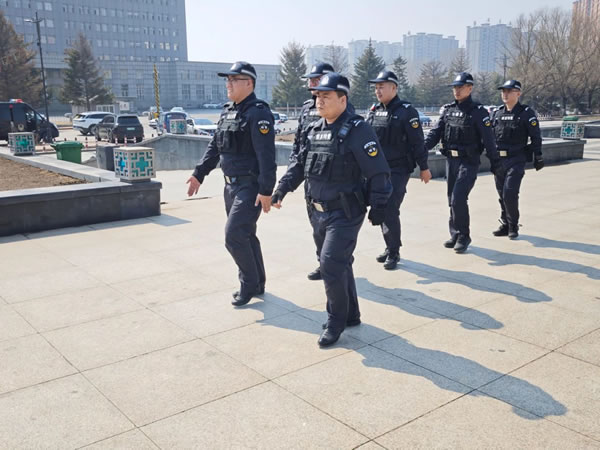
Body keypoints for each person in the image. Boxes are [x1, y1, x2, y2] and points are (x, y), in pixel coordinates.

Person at [271, 73, 392, 347]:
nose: (319, 101)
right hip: (317, 211)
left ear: (343, 100)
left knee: (330, 263)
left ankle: (335, 321)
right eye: (317, 96)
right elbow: (300, 165)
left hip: (345, 212)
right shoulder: (315, 129)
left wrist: (380, 206)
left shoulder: (358, 129)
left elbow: (379, 172)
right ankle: (351, 314)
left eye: (326, 96)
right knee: (340, 263)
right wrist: (282, 189)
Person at [186, 61, 277, 306]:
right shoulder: (227, 111)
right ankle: (258, 283)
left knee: (234, 235)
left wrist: (266, 190)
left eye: (234, 80)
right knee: (246, 235)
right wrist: (199, 173)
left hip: (250, 186)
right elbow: (215, 146)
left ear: (249, 83)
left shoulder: (258, 113)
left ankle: (248, 284)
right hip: (230, 187)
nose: (229, 84)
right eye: (228, 80)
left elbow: (267, 155)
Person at [424, 72, 503, 254]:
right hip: (451, 160)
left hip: (468, 161)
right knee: (451, 199)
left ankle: (464, 236)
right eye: (455, 87)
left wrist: (495, 163)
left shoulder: (478, 112)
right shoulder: (448, 110)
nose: (457, 91)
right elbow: (435, 133)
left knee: (458, 197)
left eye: (460, 87)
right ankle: (455, 233)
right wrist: (421, 149)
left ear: (470, 88)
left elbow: (489, 139)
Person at [366, 70, 432, 270]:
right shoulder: (374, 110)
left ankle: (394, 251)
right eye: (376, 87)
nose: (378, 91)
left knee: (390, 208)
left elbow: (417, 142)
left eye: (382, 87)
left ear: (394, 88)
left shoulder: (406, 111)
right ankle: (389, 246)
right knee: (380, 207)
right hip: (378, 169)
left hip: (399, 169)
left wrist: (424, 167)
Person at [294, 62, 334, 281]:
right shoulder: (306, 107)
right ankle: (323, 262)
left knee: (332, 223)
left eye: (315, 78)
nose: (311, 82)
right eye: (310, 79)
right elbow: (299, 140)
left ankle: (336, 260)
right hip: (309, 173)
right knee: (316, 222)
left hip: (330, 175)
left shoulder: (340, 105)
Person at [491, 80, 543, 239]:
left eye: (509, 91)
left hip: (516, 159)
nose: (505, 94)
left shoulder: (526, 113)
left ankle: (513, 225)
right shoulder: (497, 113)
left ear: (518, 93)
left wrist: (538, 156)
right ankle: (505, 224)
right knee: (502, 194)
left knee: (510, 193)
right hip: (499, 160)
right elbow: (489, 136)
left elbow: (535, 136)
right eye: (503, 91)